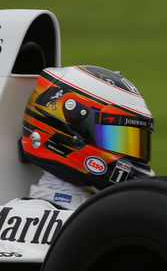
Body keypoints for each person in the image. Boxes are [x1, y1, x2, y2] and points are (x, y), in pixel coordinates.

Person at [14, 65, 154, 210]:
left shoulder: (109, 214)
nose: (129, 154)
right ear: (69, 130)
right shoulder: (26, 213)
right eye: (114, 138)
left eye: (134, 140)